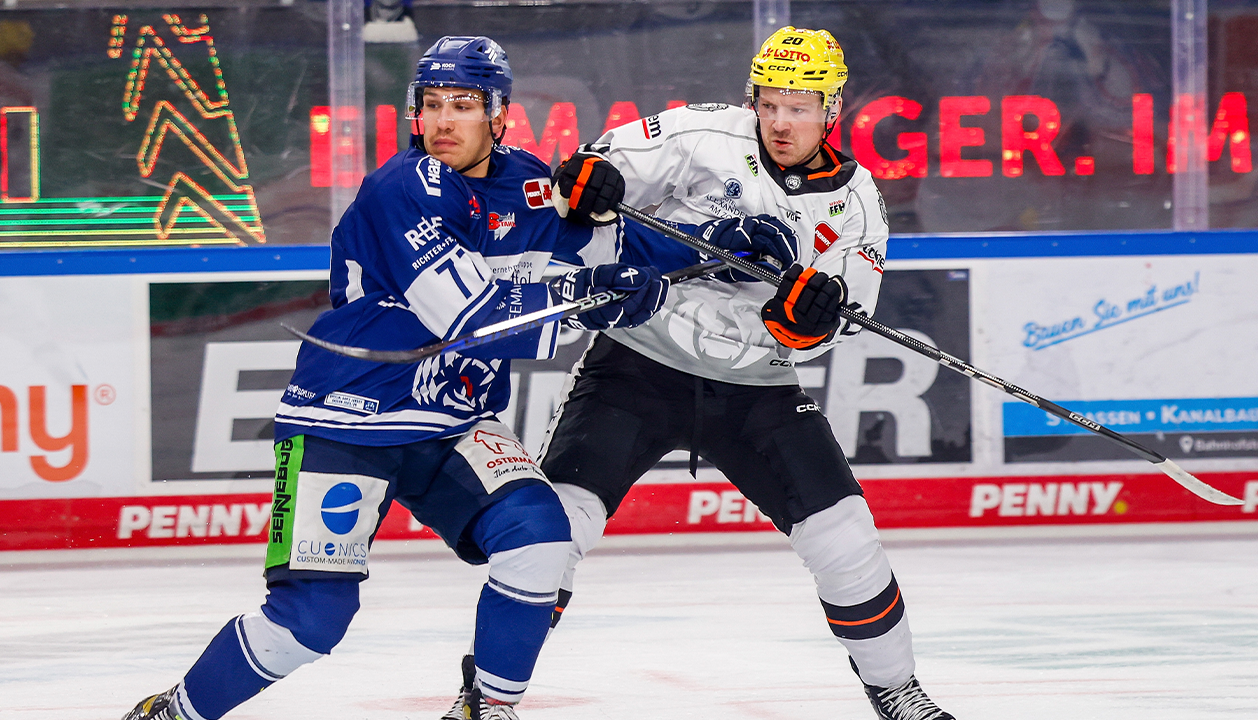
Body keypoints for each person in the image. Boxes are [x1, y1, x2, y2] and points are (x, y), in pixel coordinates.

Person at [120, 35, 784, 720]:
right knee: (311, 618)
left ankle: (487, 710)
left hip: (451, 421)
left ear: (499, 113)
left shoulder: (526, 181)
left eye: (462, 105)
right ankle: (176, 711)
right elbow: (470, 316)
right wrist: (599, 293)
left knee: (541, 540)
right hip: (348, 417)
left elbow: (614, 244)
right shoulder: (400, 188)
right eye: (431, 105)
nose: (442, 121)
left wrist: (724, 244)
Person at [443, 26, 956, 720]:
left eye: (800, 106)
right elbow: (594, 177)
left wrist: (807, 320)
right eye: (770, 102)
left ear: (832, 110)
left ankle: (897, 689)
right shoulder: (703, 133)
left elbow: (824, 333)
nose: (780, 121)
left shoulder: (857, 204)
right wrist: (593, 179)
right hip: (636, 368)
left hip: (759, 392)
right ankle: (490, 698)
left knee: (847, 539)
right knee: (553, 532)